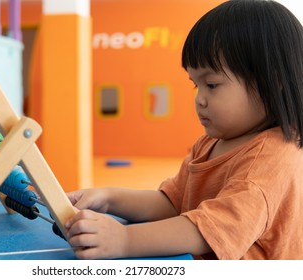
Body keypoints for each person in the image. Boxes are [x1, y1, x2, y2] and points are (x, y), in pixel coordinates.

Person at [64, 0, 303, 260]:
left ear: (272, 82)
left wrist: (124, 239)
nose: (199, 98)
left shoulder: (270, 159)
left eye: (211, 84)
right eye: (195, 85)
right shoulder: (210, 143)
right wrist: (109, 197)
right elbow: (173, 203)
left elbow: (208, 230)